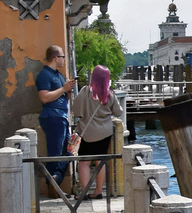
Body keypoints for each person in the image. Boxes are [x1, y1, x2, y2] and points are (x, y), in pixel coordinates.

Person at [70, 64, 125, 196]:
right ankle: (98, 191)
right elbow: (118, 112)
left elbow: (75, 111)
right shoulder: (110, 94)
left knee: (84, 163)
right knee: (100, 161)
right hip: (105, 132)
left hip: (87, 131)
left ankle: (83, 192)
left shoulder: (84, 91)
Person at [35, 46, 77, 185]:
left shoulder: (59, 75)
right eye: (63, 56)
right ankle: (51, 183)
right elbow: (44, 97)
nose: (64, 59)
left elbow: (63, 98)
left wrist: (68, 90)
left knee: (70, 150)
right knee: (55, 151)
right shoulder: (44, 75)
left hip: (62, 117)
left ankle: (56, 177)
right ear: (55, 58)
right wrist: (63, 89)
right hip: (52, 116)